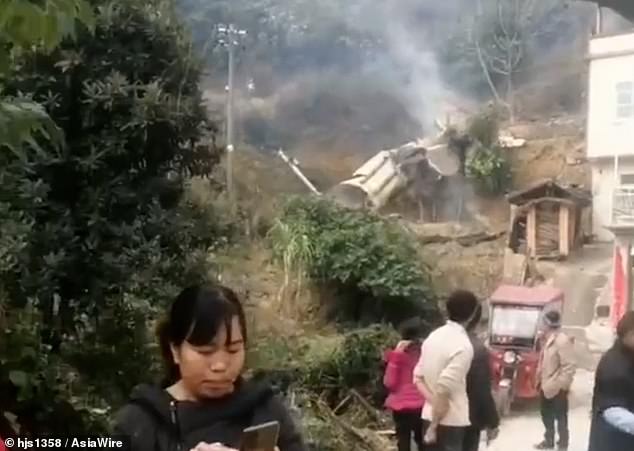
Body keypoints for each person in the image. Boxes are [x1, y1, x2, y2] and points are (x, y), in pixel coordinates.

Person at [113, 284, 306, 451]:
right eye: (205, 351)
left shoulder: (265, 409)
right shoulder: (139, 422)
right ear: (175, 350)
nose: (220, 365)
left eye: (233, 350)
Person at [413, 290, 478, 451]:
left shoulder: (433, 337)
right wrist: (434, 427)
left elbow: (417, 377)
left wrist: (432, 402)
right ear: (472, 315)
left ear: (446, 309)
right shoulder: (463, 345)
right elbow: (444, 387)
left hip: (428, 415)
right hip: (450, 422)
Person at [588, 311, 634, 451]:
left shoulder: (629, 356)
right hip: (613, 441)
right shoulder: (613, 364)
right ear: (628, 334)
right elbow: (612, 410)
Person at [535, 311, 576, 451]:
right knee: (546, 414)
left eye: (543, 322)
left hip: (557, 385)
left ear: (548, 324)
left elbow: (569, 366)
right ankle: (549, 440)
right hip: (545, 384)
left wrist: (562, 385)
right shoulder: (546, 339)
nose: (541, 325)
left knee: (561, 417)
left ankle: (563, 444)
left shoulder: (562, 340)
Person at [383, 318, 427, 451]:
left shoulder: (397, 357)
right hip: (422, 404)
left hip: (401, 407)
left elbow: (389, 383)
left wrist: (396, 354)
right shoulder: (427, 354)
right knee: (423, 442)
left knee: (403, 441)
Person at [463, 304, 499, 451]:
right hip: (467, 419)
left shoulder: (434, 340)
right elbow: (482, 390)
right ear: (476, 320)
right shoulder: (477, 348)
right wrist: (492, 422)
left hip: (434, 418)